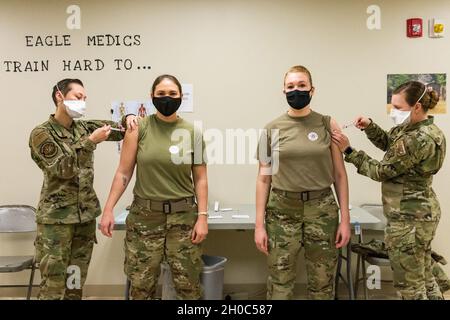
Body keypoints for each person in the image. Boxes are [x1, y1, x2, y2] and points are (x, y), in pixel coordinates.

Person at [332, 81, 446, 300]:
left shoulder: (418, 138)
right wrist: (370, 127)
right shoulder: (420, 129)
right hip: (421, 214)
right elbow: (390, 143)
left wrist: (348, 150)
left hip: (409, 219)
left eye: (399, 107)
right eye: (392, 106)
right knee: (424, 274)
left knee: (410, 285)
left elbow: (381, 171)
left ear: (417, 107)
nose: (394, 112)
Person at [100, 74, 208, 300]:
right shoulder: (138, 128)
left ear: (181, 97)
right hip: (145, 218)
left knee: (188, 286)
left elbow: (200, 178)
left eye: (172, 94)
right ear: (152, 97)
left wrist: (202, 217)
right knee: (141, 286)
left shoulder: (192, 132)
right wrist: (109, 209)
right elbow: (123, 172)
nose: (166, 98)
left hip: (183, 219)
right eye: (161, 94)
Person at [29, 78, 136, 299]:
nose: (83, 102)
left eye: (85, 98)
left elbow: (120, 129)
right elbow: (62, 169)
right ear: (60, 96)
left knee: (75, 282)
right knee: (53, 286)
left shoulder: (84, 127)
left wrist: (129, 118)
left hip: (84, 219)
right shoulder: (42, 134)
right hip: (56, 224)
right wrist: (90, 142)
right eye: (78, 97)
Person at [255, 65, 351, 300]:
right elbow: (263, 179)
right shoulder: (271, 129)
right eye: (290, 86)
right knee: (280, 280)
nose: (296, 90)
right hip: (282, 210)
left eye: (301, 86)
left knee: (322, 280)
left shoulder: (327, 124)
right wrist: (259, 225)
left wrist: (345, 220)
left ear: (312, 90)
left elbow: (340, 175)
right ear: (283, 90)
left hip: (322, 209)